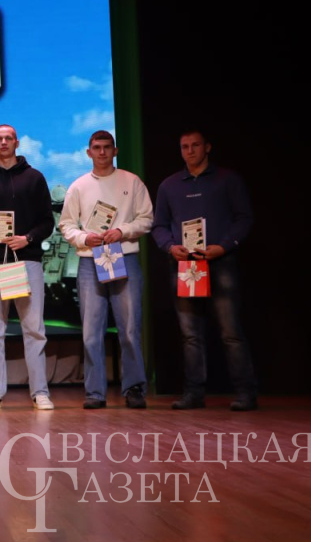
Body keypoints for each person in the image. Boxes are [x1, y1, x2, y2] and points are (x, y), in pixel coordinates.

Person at [151, 129, 257, 411]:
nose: (190, 151)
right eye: (184, 146)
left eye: (195, 145)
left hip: (220, 262)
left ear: (207, 147)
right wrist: (170, 246)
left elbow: (244, 218)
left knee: (230, 331)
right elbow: (159, 226)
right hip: (185, 266)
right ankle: (194, 394)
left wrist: (224, 246)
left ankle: (246, 393)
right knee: (190, 334)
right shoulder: (169, 185)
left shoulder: (227, 179)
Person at [59, 131, 153, 409]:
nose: (102, 152)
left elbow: (147, 218)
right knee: (91, 331)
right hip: (90, 260)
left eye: (106, 147)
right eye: (96, 148)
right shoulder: (78, 186)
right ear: (88, 152)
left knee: (130, 329)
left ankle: (134, 388)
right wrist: (83, 238)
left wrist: (122, 231)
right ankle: (94, 392)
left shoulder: (131, 181)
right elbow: (66, 224)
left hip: (124, 256)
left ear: (115, 150)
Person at [0, 124, 55, 410]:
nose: (3, 142)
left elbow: (47, 222)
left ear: (16, 143)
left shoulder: (34, 178)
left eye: (8, 138)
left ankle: (40, 392)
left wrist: (27, 238)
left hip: (27, 262)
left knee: (34, 329)